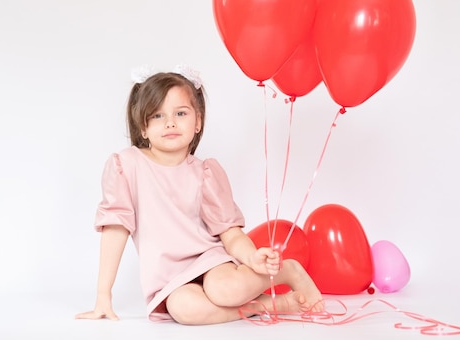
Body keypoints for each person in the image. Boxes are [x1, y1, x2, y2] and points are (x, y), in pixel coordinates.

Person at [75, 67, 323, 325]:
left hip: (210, 261)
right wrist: (103, 295)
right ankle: (272, 304)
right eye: (157, 115)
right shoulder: (126, 165)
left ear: (198, 122)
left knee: (225, 290)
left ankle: (288, 270)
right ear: (143, 128)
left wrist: (251, 258)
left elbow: (229, 231)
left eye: (180, 113)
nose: (170, 122)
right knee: (185, 310)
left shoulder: (205, 173)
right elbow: (116, 227)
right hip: (169, 276)